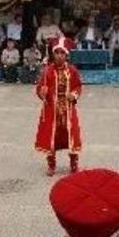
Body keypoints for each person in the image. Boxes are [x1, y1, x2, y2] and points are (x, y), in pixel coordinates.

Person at [35, 41, 83, 176]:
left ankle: (74, 165)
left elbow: (78, 86)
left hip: (68, 109)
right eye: (57, 53)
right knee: (51, 137)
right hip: (52, 109)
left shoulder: (72, 70)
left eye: (62, 53)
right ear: (53, 54)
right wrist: (42, 92)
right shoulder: (47, 71)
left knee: (71, 137)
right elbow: (39, 88)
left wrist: (73, 94)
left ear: (66, 55)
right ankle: (51, 165)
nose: (59, 56)